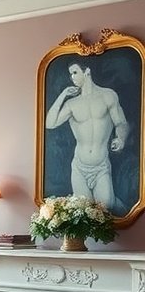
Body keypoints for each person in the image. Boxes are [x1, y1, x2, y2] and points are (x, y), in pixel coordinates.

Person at [46, 56, 129, 213]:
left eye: (75, 72)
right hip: (79, 166)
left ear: (87, 72)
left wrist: (121, 138)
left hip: (101, 166)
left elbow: (121, 123)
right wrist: (63, 95)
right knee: (84, 213)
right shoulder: (72, 104)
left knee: (107, 208)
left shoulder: (108, 96)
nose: (72, 77)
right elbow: (50, 124)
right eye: (70, 74)